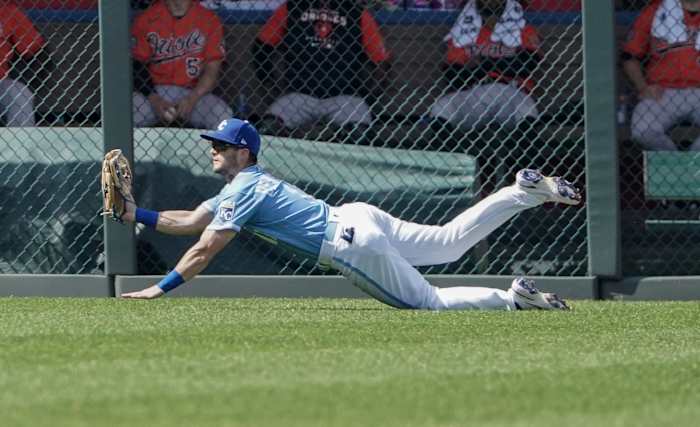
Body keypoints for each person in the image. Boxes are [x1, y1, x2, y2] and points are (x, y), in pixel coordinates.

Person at [120, 117, 581, 310]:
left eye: (220, 146)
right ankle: (523, 192)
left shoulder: (243, 191)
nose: (212, 151)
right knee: (447, 242)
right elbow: (191, 222)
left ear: (243, 152)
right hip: (358, 218)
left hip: (350, 244)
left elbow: (203, 249)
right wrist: (133, 212)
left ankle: (511, 300)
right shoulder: (239, 189)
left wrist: (158, 289)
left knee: (431, 303)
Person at [251, 0, 391, 134]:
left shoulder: (356, 12)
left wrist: (369, 98)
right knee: (268, 128)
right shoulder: (292, 7)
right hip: (298, 95)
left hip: (344, 96)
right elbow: (261, 47)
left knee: (358, 133)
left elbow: (382, 62)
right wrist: (269, 85)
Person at [430, 0, 541, 131]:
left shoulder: (524, 30)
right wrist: (499, 65)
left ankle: (526, 149)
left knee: (526, 108)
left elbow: (526, 66)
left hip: (511, 92)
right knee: (442, 106)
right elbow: (453, 75)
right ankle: (443, 148)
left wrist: (482, 65)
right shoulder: (464, 31)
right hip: (474, 94)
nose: (491, 2)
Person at [131, 0, 232, 128]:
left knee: (222, 114)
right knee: (128, 111)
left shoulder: (209, 19)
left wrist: (192, 98)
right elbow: (136, 66)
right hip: (154, 92)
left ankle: (215, 148)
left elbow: (213, 69)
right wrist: (154, 99)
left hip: (194, 93)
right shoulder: (146, 19)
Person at [622, 0, 700, 151]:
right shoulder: (655, 11)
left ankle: (693, 165)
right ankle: (673, 164)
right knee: (643, 130)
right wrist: (643, 87)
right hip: (661, 92)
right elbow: (629, 57)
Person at [0, 2, 48, 126]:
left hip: (1, 82)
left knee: (20, 95)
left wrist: (25, 80)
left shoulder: (7, 10)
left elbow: (37, 51)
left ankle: (21, 143)